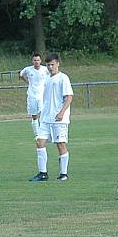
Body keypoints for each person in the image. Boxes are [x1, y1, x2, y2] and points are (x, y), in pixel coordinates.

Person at [29, 53, 73, 182]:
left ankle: (63, 174)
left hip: (59, 119)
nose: (50, 67)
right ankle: (43, 173)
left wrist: (61, 113)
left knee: (60, 145)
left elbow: (69, 97)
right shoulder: (47, 78)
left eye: (52, 64)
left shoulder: (63, 78)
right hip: (46, 119)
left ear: (58, 64)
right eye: (48, 65)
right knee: (39, 142)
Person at [19, 53, 50, 137]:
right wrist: (28, 82)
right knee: (34, 116)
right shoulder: (28, 69)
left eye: (38, 60)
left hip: (42, 95)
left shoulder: (45, 69)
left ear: (40, 61)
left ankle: (45, 132)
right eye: (35, 60)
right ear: (32, 61)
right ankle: (37, 135)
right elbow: (21, 75)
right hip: (32, 95)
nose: (36, 62)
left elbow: (52, 75)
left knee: (44, 114)